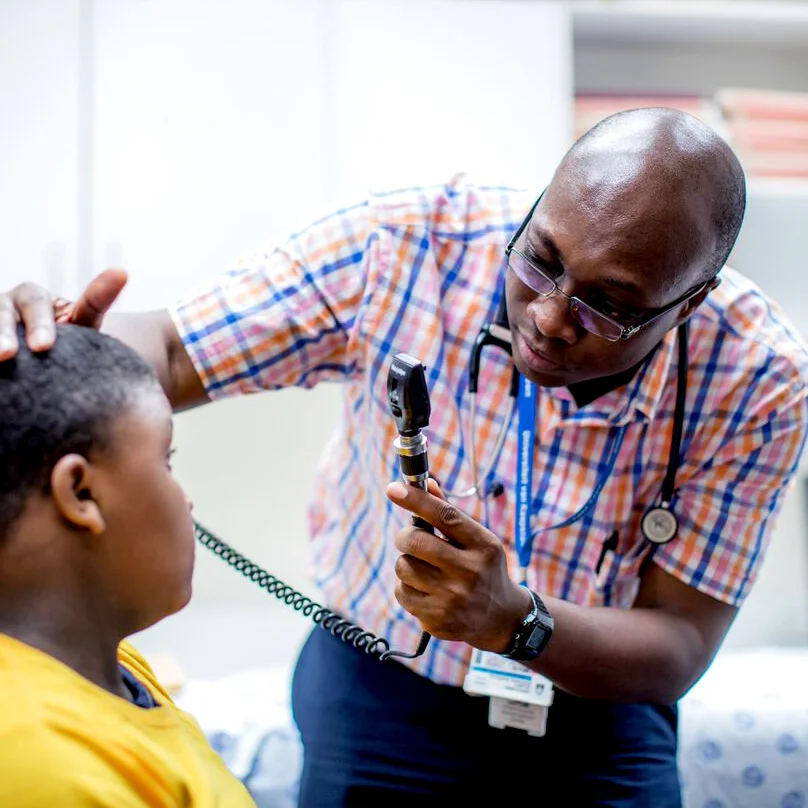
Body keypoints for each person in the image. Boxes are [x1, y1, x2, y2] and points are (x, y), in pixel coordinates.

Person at [2, 108, 807, 807]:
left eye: (609, 306)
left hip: (596, 705)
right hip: (378, 680)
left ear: (690, 303)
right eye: (540, 260)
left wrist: (517, 622)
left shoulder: (761, 379)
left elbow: (678, 645)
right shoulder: (404, 244)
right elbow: (172, 348)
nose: (550, 317)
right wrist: (59, 348)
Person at [0, 324, 257, 807]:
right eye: (166, 461)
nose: (186, 500)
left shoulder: (110, 661)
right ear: (81, 492)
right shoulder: (46, 769)